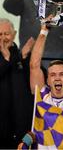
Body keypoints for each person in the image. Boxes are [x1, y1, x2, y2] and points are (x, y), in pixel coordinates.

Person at [18, 17, 63, 149]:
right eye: (52, 75)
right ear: (47, 81)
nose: (57, 78)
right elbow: (34, 65)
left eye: (62, 74)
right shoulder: (42, 95)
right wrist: (43, 31)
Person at [0, 18, 34, 149]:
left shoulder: (22, 55)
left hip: (20, 130)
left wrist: (25, 59)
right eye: (0, 34)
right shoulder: (9, 57)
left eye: (6, 34)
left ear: (14, 34)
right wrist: (6, 59)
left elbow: (36, 84)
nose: (3, 38)